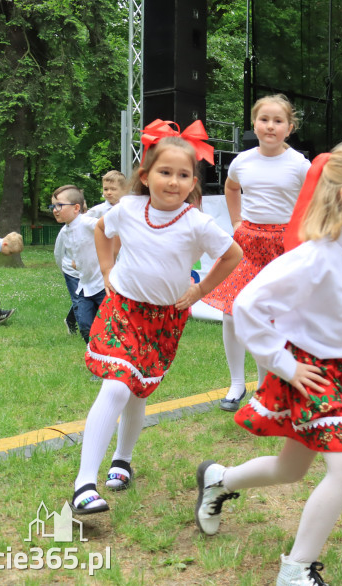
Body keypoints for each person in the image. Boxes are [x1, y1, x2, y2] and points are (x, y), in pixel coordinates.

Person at [193, 141, 342, 586]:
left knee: (292, 469)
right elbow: (247, 305)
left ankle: (218, 479)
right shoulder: (313, 256)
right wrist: (283, 364)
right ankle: (296, 571)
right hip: (309, 373)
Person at [69, 128, 242, 515]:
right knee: (116, 386)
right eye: (165, 172)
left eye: (183, 175)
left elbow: (232, 255)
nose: (173, 181)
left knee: (136, 390)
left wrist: (201, 291)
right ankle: (84, 485)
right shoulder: (128, 208)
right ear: (145, 176)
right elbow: (102, 229)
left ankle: (122, 460)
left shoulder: (196, 223)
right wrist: (107, 267)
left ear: (193, 183)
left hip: (163, 321)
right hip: (123, 310)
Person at [199, 94, 310, 412]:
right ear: (254, 124)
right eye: (265, 119)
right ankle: (236, 384)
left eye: (278, 121)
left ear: (289, 128)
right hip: (247, 246)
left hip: (282, 248)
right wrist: (236, 221)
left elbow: (314, 200)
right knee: (231, 314)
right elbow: (232, 188)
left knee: (270, 318)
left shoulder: (300, 164)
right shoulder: (242, 162)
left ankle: (265, 388)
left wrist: (301, 234)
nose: (271, 126)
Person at [51, 185, 106, 343]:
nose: (55, 210)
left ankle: (111, 355)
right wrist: (77, 262)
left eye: (59, 205)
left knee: (109, 325)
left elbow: (112, 232)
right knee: (85, 326)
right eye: (53, 206)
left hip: (102, 285)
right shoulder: (66, 229)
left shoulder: (88, 223)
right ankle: (96, 355)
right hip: (84, 286)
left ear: (76, 208)